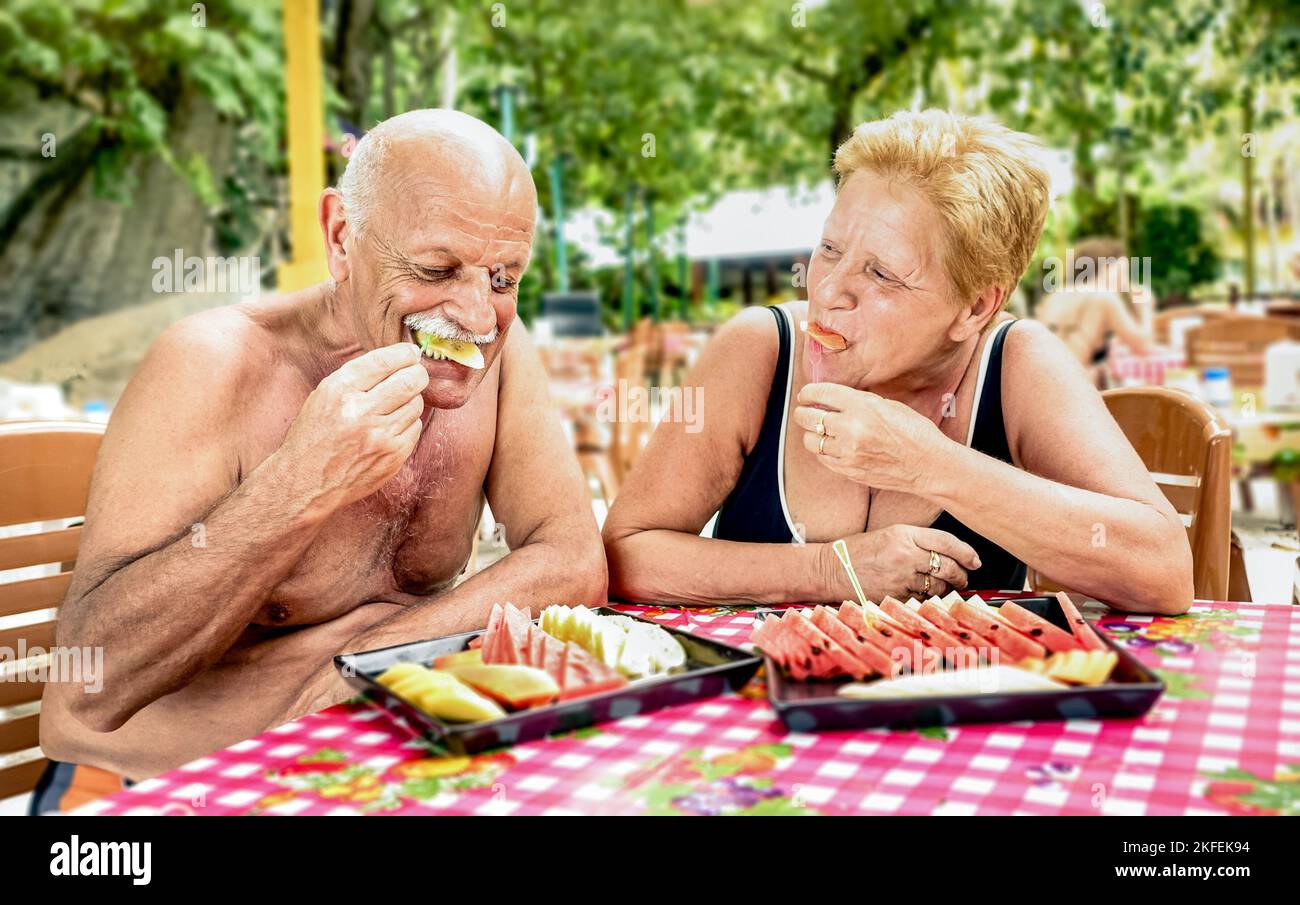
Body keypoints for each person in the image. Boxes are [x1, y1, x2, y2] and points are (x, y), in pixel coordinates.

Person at [36, 110, 605, 804]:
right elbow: (86, 690)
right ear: (342, 236)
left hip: (367, 767)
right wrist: (301, 482)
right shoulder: (213, 363)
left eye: (504, 277)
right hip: (159, 787)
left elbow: (572, 557)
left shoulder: (496, 352)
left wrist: (363, 666)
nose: (479, 317)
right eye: (436, 268)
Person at [602, 110, 1192, 617]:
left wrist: (930, 464)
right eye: (830, 249)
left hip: (955, 722)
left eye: (882, 274)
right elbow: (629, 552)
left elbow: (1163, 572)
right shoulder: (760, 349)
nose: (829, 289)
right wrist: (833, 572)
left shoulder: (1018, 363)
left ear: (974, 306)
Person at [1034, 236, 1153, 383]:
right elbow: (1144, 346)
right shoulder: (1103, 297)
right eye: (1121, 273)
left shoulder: (1056, 295)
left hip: (1042, 383)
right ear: (1105, 268)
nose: (1125, 283)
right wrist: (1145, 305)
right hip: (1068, 388)